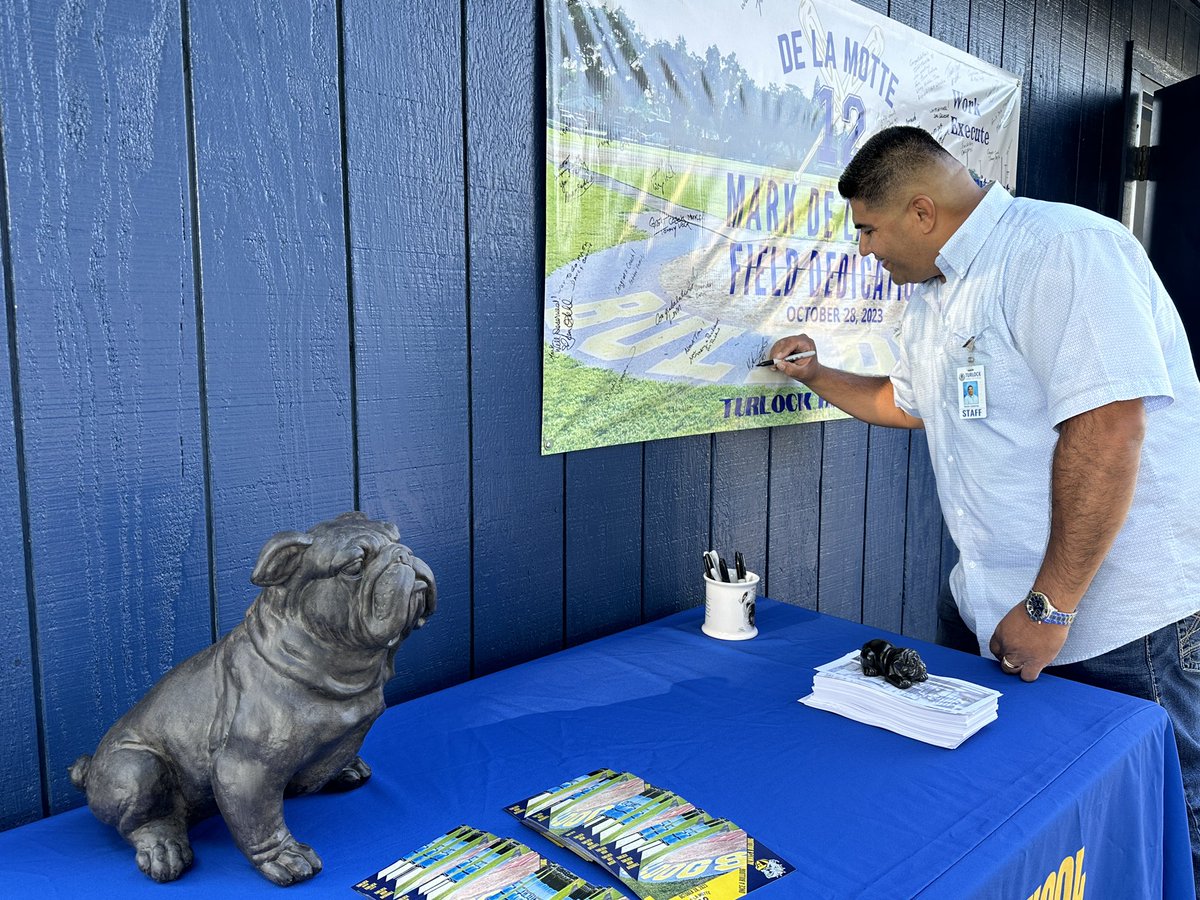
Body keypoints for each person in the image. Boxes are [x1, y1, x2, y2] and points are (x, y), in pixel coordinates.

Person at [769, 125, 1200, 883]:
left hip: (1119, 627)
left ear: (922, 212)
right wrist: (816, 374)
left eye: (869, 229)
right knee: (1055, 832)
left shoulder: (1062, 249)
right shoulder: (935, 295)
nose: (863, 250)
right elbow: (908, 404)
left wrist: (1049, 608)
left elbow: (1108, 429)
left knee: (1166, 823)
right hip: (997, 607)